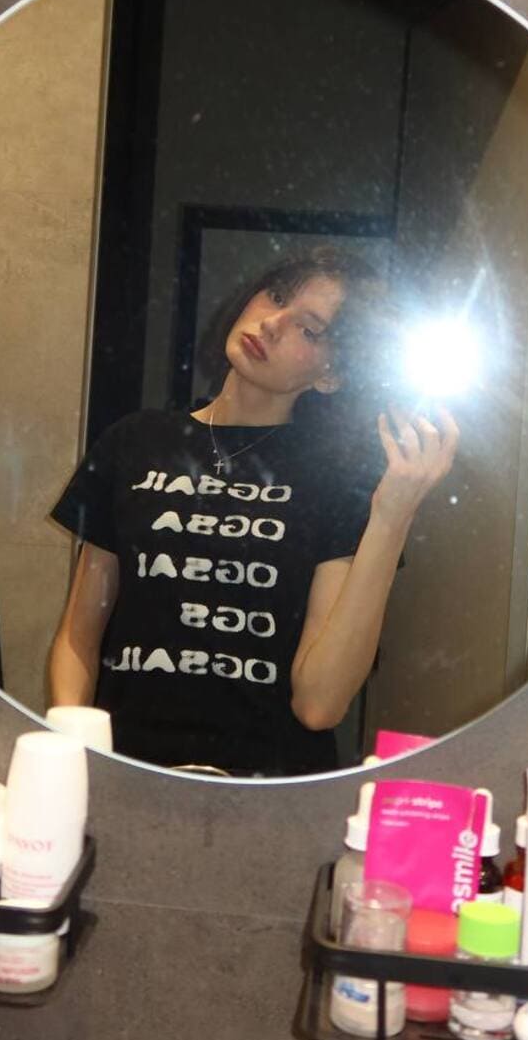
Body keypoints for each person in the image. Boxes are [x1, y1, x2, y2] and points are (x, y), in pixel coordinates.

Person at [47, 246, 458, 776]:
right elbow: (79, 634)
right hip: (127, 771)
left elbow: (319, 705)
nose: (271, 323)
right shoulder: (134, 442)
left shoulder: (339, 481)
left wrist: (393, 515)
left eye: (308, 329)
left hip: (269, 789)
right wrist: (72, 756)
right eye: (277, 296)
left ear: (330, 376)